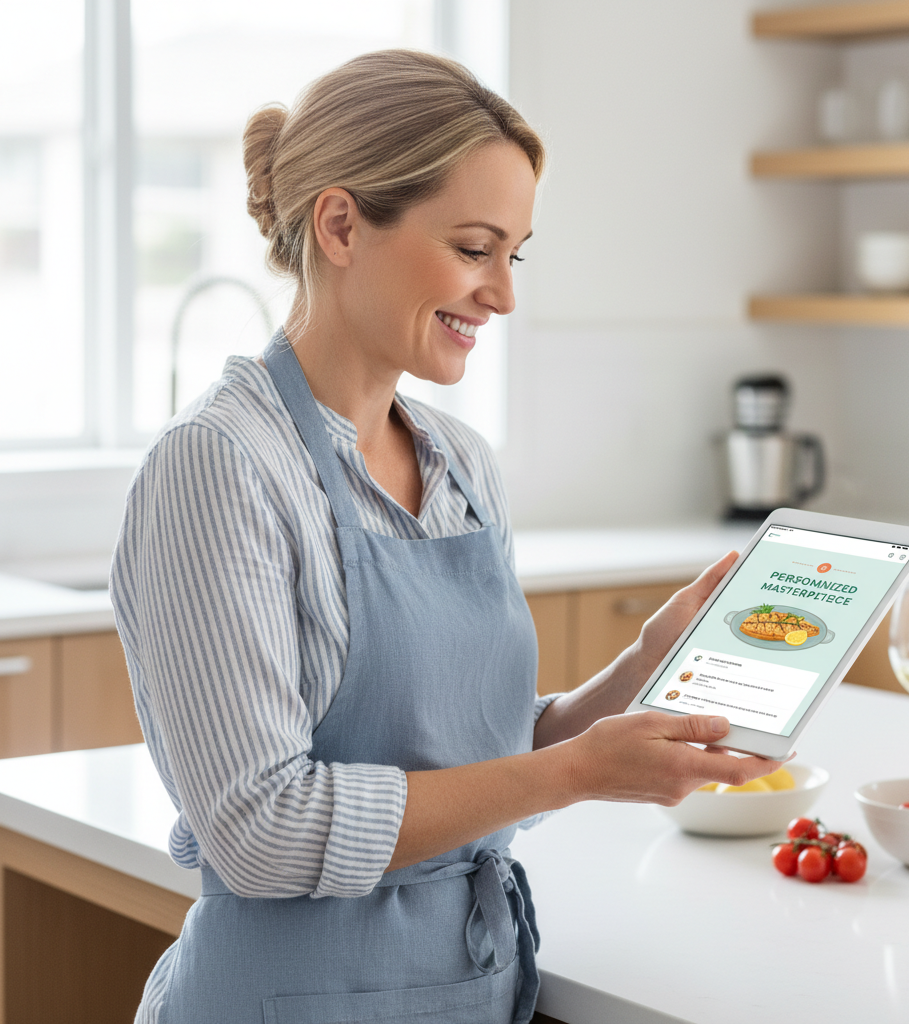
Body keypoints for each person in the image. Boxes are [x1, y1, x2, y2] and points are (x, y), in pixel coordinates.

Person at [110, 49, 782, 1024]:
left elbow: (484, 771)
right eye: (474, 249)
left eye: (516, 254)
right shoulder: (219, 466)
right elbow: (260, 830)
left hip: (466, 987)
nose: (503, 294)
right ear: (341, 225)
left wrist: (638, 669)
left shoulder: (460, 465)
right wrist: (579, 769)